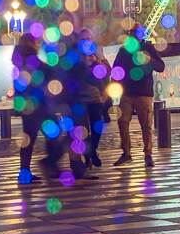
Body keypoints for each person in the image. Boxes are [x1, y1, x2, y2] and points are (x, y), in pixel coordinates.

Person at [12, 31, 63, 184]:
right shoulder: (32, 58)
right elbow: (47, 73)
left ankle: (25, 172)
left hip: (27, 105)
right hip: (40, 105)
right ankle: (50, 163)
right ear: (32, 43)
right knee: (55, 134)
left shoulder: (19, 60)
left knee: (28, 140)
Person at [112, 27, 165, 167]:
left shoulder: (148, 47)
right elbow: (116, 69)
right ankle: (126, 153)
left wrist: (149, 59)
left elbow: (161, 66)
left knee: (146, 124)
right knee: (123, 122)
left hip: (143, 92)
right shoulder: (124, 50)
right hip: (127, 92)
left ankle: (148, 154)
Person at [68, 30, 110, 169]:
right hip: (80, 98)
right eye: (85, 38)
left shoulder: (96, 52)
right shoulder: (76, 55)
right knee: (84, 130)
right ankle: (88, 158)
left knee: (97, 127)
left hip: (95, 97)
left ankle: (92, 150)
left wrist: (96, 62)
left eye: (89, 38)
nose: (87, 40)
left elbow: (107, 70)